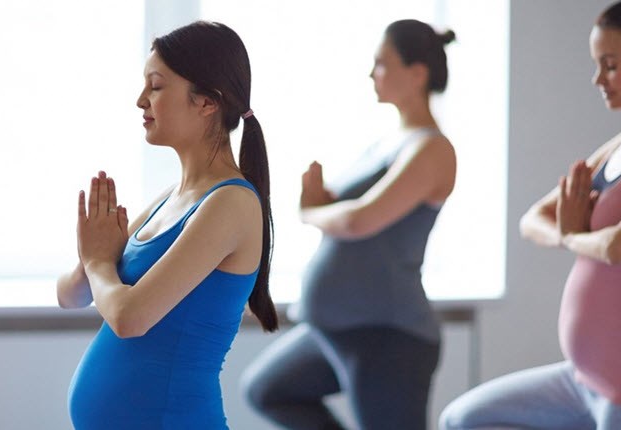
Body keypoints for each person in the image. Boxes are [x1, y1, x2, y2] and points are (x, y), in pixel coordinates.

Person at [440, 1, 621, 429]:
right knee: (464, 419)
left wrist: (571, 235)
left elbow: (620, 246)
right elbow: (533, 219)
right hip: (583, 380)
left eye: (609, 65)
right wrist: (573, 232)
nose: (597, 80)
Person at [56, 21, 278, 429]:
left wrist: (99, 263)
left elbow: (129, 318)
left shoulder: (231, 203)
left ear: (207, 102)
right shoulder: (168, 199)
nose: (141, 100)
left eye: (156, 86)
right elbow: (71, 296)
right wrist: (91, 255)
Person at [241, 19, 458, 430]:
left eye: (381, 63)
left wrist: (311, 212)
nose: (371, 73)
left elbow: (360, 221)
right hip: (335, 330)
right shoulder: (388, 142)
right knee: (266, 390)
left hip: (387, 337)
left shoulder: (433, 149)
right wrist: (325, 201)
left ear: (417, 74)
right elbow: (353, 212)